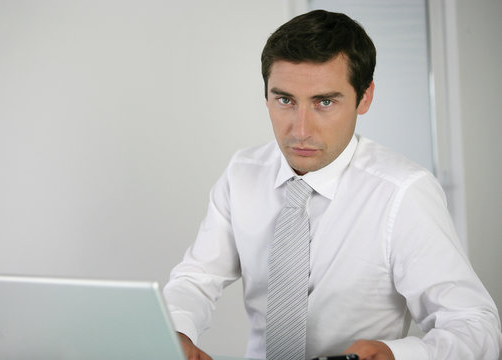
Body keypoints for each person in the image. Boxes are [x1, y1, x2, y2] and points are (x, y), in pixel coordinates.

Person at [163, 9, 502, 360]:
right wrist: (176, 332)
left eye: (325, 102)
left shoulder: (403, 192)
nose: (300, 130)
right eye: (285, 100)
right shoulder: (242, 173)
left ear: (364, 97)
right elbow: (196, 278)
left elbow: (475, 325)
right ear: (266, 95)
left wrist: (397, 354)